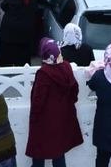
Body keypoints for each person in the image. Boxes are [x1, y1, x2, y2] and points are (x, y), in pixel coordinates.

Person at [26, 38, 83, 167]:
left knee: (38, 154)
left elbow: (38, 101)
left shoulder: (43, 73)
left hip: (44, 121)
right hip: (62, 118)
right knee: (59, 153)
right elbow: (75, 91)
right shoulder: (67, 67)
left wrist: (33, 118)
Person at [0, 0, 47, 67]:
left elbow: (3, 6)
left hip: (8, 30)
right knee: (23, 58)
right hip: (25, 30)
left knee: (6, 57)